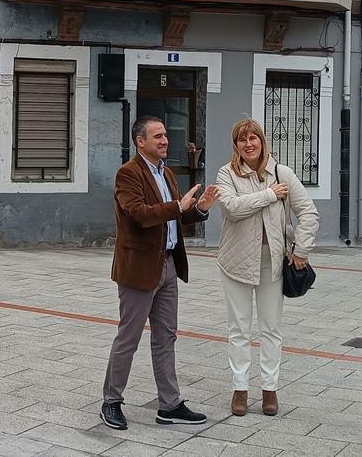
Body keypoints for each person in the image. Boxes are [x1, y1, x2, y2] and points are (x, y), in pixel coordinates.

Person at [101, 116, 220, 431]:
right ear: (140, 141)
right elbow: (138, 215)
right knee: (129, 337)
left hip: (167, 265)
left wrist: (201, 208)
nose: (165, 140)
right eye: (158, 136)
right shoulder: (128, 174)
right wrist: (178, 207)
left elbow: (174, 218)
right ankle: (111, 401)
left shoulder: (166, 173)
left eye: (166, 135)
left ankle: (169, 405)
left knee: (166, 337)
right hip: (139, 268)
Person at [214, 119, 318, 418]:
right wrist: (270, 195)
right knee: (239, 329)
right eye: (242, 140)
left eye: (253, 138)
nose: (249, 144)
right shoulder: (227, 173)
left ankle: (270, 389)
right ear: (236, 146)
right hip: (235, 261)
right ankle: (240, 388)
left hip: (272, 261)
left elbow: (308, 212)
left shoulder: (282, 172)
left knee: (271, 328)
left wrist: (301, 250)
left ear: (262, 141)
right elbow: (232, 209)